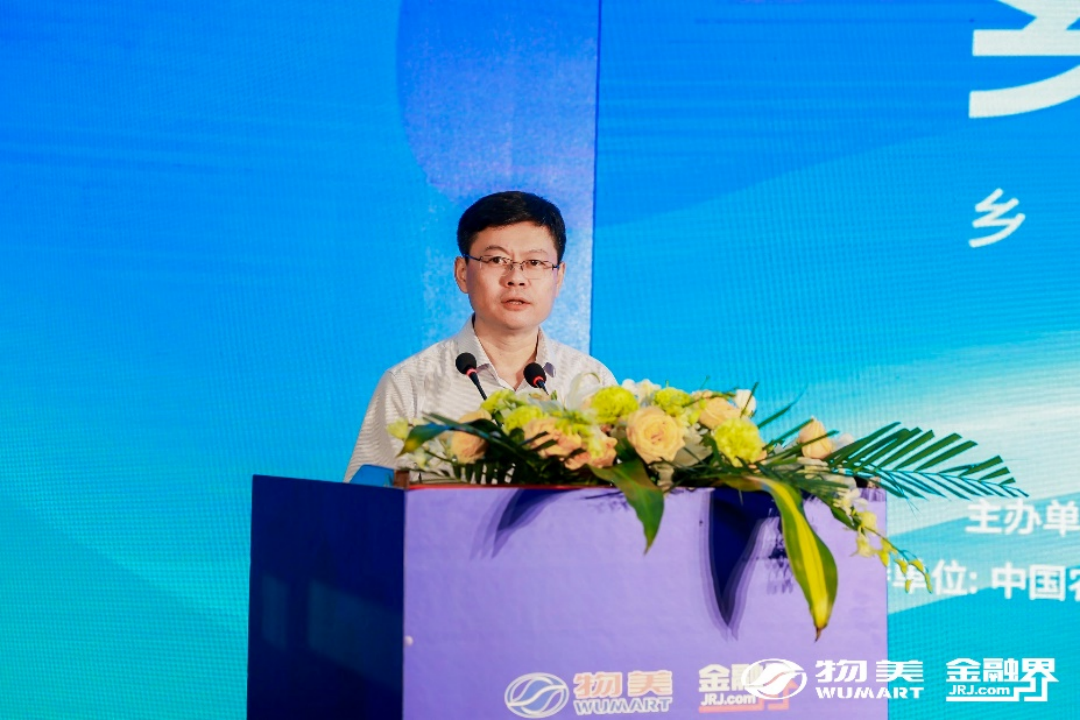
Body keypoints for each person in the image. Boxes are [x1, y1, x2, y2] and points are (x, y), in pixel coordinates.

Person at [344, 191, 616, 481]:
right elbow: (367, 500)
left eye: (535, 263)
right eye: (497, 259)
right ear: (462, 273)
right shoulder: (410, 384)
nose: (516, 278)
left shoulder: (592, 382)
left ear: (558, 277)